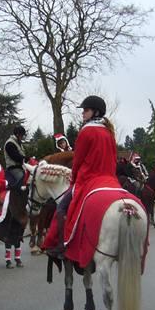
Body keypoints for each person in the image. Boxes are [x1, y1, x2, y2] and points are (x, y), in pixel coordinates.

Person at [47, 95, 117, 258]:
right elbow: (113, 159)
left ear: (95, 112)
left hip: (88, 180)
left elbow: (77, 161)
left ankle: (62, 245)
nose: (83, 113)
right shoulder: (109, 133)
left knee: (61, 207)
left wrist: (73, 181)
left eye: (86, 110)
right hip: (109, 180)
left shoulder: (86, 131)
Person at [4, 126, 27, 191]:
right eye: (22, 135)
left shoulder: (18, 143)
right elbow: (15, 157)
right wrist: (26, 159)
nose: (22, 137)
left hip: (21, 167)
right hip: (13, 168)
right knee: (22, 179)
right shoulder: (10, 143)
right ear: (17, 134)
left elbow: (22, 155)